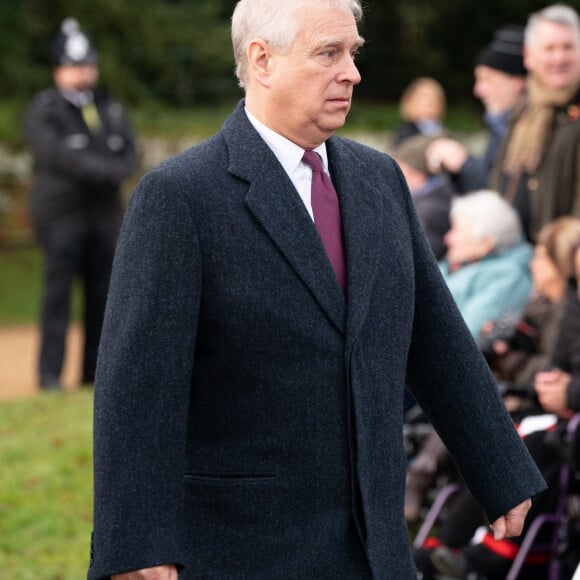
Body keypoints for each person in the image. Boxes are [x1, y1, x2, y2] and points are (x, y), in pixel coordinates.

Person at [88, 2, 546, 579]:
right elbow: (138, 386)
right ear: (262, 61)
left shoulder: (380, 179)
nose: (352, 72)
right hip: (241, 547)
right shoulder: (180, 197)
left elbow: (435, 336)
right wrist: (137, 545)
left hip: (375, 546)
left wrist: (499, 469)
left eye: (352, 52)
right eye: (328, 53)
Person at [404, 190, 533, 522]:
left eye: (457, 230)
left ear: (487, 242)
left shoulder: (505, 277)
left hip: (442, 371)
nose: (446, 237)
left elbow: (464, 336)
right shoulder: (457, 264)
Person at [23, 18, 137, 390]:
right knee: (57, 298)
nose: (82, 73)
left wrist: (107, 167)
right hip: (61, 218)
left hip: (104, 218)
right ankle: (50, 377)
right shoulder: (44, 111)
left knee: (103, 299)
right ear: (58, 70)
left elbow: (129, 154)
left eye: (87, 65)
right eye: (74, 66)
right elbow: (60, 158)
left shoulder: (110, 108)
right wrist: (107, 168)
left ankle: (94, 376)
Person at [488, 4, 580, 242]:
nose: (559, 58)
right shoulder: (523, 112)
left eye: (568, 47)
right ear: (529, 57)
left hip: (559, 265)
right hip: (512, 253)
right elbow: (499, 181)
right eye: (549, 48)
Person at [426, 25, 527, 193]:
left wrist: (464, 163)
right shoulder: (502, 126)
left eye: (486, 79)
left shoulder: (530, 128)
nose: (478, 90)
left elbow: (502, 195)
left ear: (516, 81)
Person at [393, 134, 454, 259]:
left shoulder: (430, 209)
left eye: (404, 172)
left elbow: (417, 256)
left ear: (419, 174)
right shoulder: (426, 199)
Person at [392, 76, 447, 147]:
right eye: (422, 102)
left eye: (433, 101)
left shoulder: (442, 130)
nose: (428, 106)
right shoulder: (405, 131)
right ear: (409, 103)